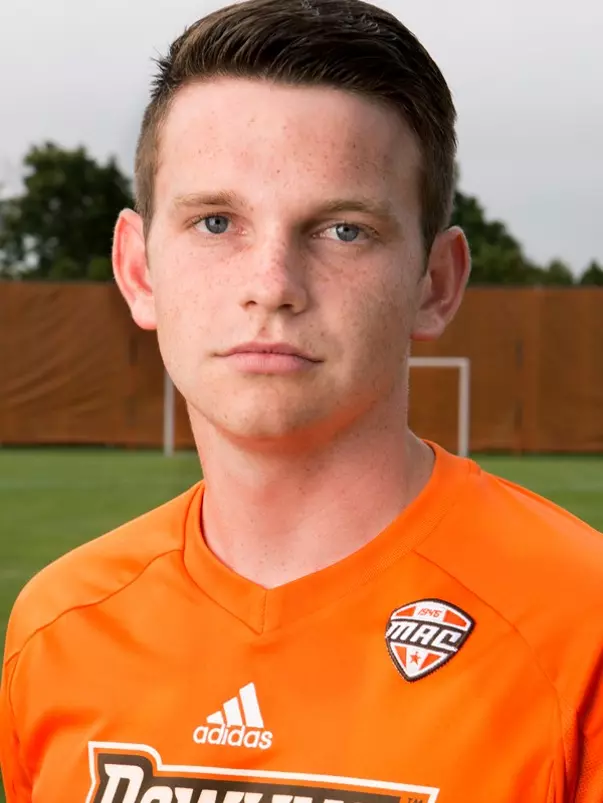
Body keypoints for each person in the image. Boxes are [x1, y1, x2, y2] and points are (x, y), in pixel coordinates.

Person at [1, 0, 602, 800]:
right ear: (140, 270)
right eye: (216, 222)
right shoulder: (60, 625)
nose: (272, 287)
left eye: (342, 230)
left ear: (436, 283)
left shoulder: (579, 624)